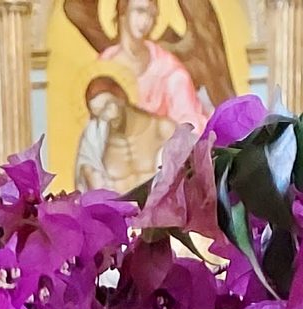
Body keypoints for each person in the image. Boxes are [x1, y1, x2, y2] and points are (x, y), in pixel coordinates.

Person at [98, 0, 211, 134]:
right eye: (140, 11)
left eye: (152, 15)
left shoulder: (169, 69)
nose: (146, 21)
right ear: (123, 11)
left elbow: (189, 121)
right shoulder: (104, 64)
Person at [74, 76, 167, 191]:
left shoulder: (160, 128)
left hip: (160, 201)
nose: (107, 116)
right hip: (118, 202)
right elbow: (87, 174)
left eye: (108, 106)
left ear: (121, 97)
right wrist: (89, 174)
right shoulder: (96, 138)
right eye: (99, 113)